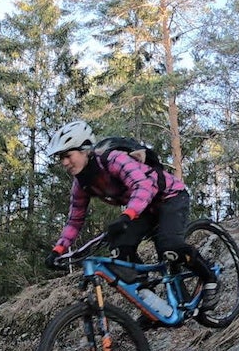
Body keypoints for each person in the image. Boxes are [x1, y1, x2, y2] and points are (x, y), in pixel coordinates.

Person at [44, 120, 219, 312]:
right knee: (119, 249)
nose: (64, 163)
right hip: (142, 208)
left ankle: (210, 278)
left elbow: (143, 186)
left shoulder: (113, 160)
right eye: (61, 158)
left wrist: (127, 215)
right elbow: (75, 220)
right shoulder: (81, 184)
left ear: (85, 150)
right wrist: (58, 250)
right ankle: (151, 304)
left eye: (68, 156)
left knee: (170, 246)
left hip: (169, 197)